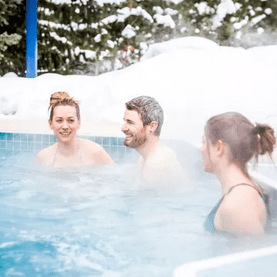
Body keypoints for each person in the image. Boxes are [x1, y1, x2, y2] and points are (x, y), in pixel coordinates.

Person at [202, 112, 276, 235]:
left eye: (204, 142)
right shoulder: (241, 193)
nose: (202, 149)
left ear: (219, 148)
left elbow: (254, 253)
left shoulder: (237, 205)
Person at [36, 92, 114, 168]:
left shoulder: (95, 152)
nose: (65, 126)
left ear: (78, 123)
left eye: (70, 120)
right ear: (50, 124)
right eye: (59, 120)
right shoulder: (43, 157)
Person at [121, 95, 185, 185]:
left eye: (130, 122)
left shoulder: (156, 164)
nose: (123, 128)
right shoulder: (144, 159)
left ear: (152, 126)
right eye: (125, 121)